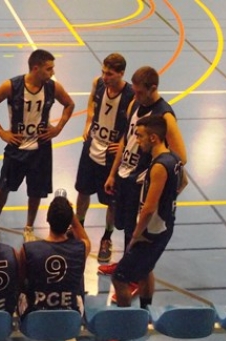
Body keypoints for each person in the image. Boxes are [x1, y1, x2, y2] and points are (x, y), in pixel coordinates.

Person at [101, 66, 187, 277]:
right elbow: (126, 139)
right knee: (126, 229)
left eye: (140, 92)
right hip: (124, 177)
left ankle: (131, 276)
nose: (136, 95)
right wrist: (113, 173)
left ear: (153, 88)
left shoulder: (165, 115)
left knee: (137, 233)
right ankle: (125, 263)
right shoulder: (134, 104)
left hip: (140, 183)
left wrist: (157, 181)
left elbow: (180, 158)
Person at [0, 49, 75, 242]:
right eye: (49, 69)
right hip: (17, 149)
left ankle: (29, 227)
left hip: (41, 150)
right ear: (36, 68)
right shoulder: (12, 86)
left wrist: (58, 128)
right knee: (4, 187)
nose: (52, 72)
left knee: (36, 191)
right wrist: (1, 131)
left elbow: (69, 104)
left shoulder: (52, 88)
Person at [112, 116, 186, 308]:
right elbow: (183, 182)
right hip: (165, 227)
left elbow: (148, 209)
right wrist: (167, 199)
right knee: (146, 270)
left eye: (139, 136)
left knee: (119, 278)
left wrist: (136, 235)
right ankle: (145, 311)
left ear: (153, 138)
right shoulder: (175, 158)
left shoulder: (158, 167)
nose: (136, 141)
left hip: (150, 233)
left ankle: (127, 323)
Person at [74, 53, 134, 263]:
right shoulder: (97, 84)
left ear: (121, 73)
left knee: (112, 201)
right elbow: (91, 102)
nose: (105, 77)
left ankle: (107, 237)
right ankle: (78, 228)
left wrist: (124, 142)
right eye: (103, 72)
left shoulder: (130, 95)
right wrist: (88, 124)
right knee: (82, 191)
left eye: (109, 74)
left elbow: (135, 122)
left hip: (112, 154)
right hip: (92, 146)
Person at [18, 196, 91, 318]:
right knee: (79, 270)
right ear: (69, 223)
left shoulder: (28, 249)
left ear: (47, 218)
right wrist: (71, 215)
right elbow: (85, 239)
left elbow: (21, 280)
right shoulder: (81, 248)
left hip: (36, 318)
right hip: (70, 317)